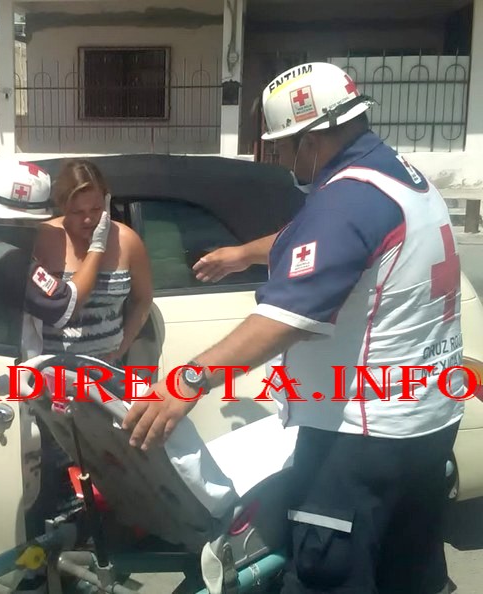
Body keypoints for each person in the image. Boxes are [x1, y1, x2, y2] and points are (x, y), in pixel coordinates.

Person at [123, 62, 464, 594]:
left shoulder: (347, 200)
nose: (279, 157)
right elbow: (318, 236)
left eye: (282, 146)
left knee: (327, 573)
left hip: (361, 437)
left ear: (311, 138)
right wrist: (244, 254)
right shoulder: (395, 175)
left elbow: (283, 322)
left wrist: (188, 381)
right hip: (425, 421)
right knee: (408, 567)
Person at [0, 159, 112, 359]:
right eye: (30, 221)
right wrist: (97, 248)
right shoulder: (10, 260)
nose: (33, 228)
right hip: (5, 371)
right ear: (11, 218)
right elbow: (66, 304)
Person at [36, 159, 153, 363]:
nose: (88, 219)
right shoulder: (43, 237)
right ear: (63, 206)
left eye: (96, 209)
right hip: (50, 371)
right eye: (77, 212)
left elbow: (143, 299)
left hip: (106, 371)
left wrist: (121, 348)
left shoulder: (127, 241)